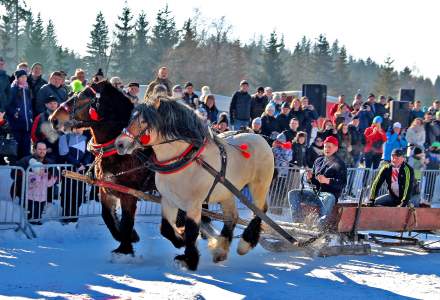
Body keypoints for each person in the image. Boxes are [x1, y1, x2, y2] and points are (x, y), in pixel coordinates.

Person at [288, 136, 347, 227]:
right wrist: (310, 178)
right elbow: (314, 183)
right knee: (293, 193)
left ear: (336, 148)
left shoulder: (340, 164)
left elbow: (342, 184)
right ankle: (298, 222)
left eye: (330, 147)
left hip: (328, 195)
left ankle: (320, 227)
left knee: (329, 197)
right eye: (325, 146)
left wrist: (327, 181)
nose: (327, 149)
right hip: (315, 193)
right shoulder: (318, 161)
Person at [58, 128, 92, 222]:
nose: (78, 130)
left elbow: (89, 153)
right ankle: (66, 216)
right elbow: (64, 153)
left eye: (80, 128)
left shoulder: (86, 138)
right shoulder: (65, 137)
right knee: (67, 193)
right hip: (69, 170)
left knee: (79, 193)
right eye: (76, 128)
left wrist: (84, 164)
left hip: (81, 171)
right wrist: (78, 164)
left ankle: (74, 216)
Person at [6, 69, 33, 159]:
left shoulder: (27, 89)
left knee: (26, 148)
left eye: (25, 77)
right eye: (21, 77)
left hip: (27, 124)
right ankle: (15, 169)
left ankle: (25, 169)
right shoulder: (13, 89)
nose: (24, 79)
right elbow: (7, 104)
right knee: (16, 148)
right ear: (17, 78)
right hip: (16, 124)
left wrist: (30, 115)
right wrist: (14, 112)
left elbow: (29, 105)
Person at [31, 95, 60, 162]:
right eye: (50, 103)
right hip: (43, 151)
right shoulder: (40, 117)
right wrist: (42, 147)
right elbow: (33, 133)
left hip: (58, 150)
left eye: (55, 103)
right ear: (46, 105)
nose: (53, 105)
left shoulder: (61, 117)